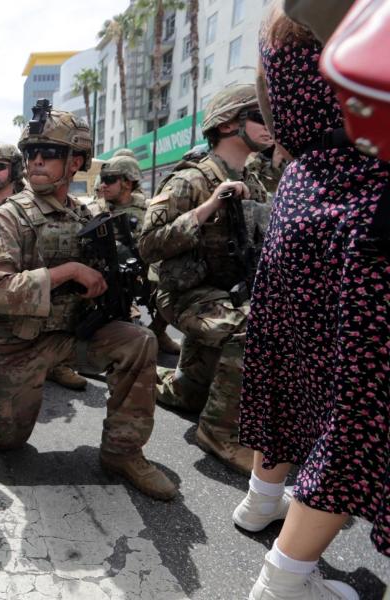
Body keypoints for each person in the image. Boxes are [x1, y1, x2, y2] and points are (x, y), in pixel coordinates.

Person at [236, 7, 389, 599]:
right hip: (367, 197)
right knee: (359, 401)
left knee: (288, 364)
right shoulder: (366, 14)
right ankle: (282, 584)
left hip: (303, 195)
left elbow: (274, 122)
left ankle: (259, 504)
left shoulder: (279, 30)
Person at [0, 107, 177, 501]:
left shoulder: (85, 216)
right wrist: (68, 272)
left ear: (75, 162)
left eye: (47, 152)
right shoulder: (9, 218)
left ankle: (123, 451)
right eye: (32, 153)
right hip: (15, 346)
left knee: (138, 341)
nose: (35, 161)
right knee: (6, 441)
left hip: (68, 335)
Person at [138, 84, 272, 475]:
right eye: (260, 117)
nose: (271, 126)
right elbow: (148, 245)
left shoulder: (255, 180)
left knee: (192, 392)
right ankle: (217, 432)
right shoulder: (189, 181)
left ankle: (184, 388)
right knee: (252, 330)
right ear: (230, 124)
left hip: (224, 291)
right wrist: (209, 207)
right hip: (182, 292)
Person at [0, 134, 88, 389]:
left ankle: (56, 363)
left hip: (42, 300)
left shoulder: (40, 204)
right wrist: (6, 251)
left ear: (14, 169)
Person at [98, 152, 181, 356]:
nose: (103, 185)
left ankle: (158, 332)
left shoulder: (150, 208)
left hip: (144, 269)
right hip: (110, 273)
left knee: (175, 282)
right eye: (103, 180)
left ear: (127, 182)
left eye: (110, 179)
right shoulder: (96, 209)